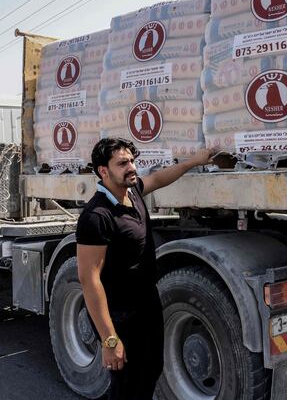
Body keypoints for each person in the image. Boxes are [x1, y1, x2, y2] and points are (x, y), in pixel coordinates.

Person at [76, 137, 213, 400]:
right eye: (122, 163)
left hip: (145, 305)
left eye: (132, 161)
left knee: (150, 371)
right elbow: (89, 280)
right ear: (103, 171)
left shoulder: (132, 192)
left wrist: (194, 161)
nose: (132, 167)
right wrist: (110, 340)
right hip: (120, 316)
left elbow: (159, 178)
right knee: (128, 385)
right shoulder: (97, 217)